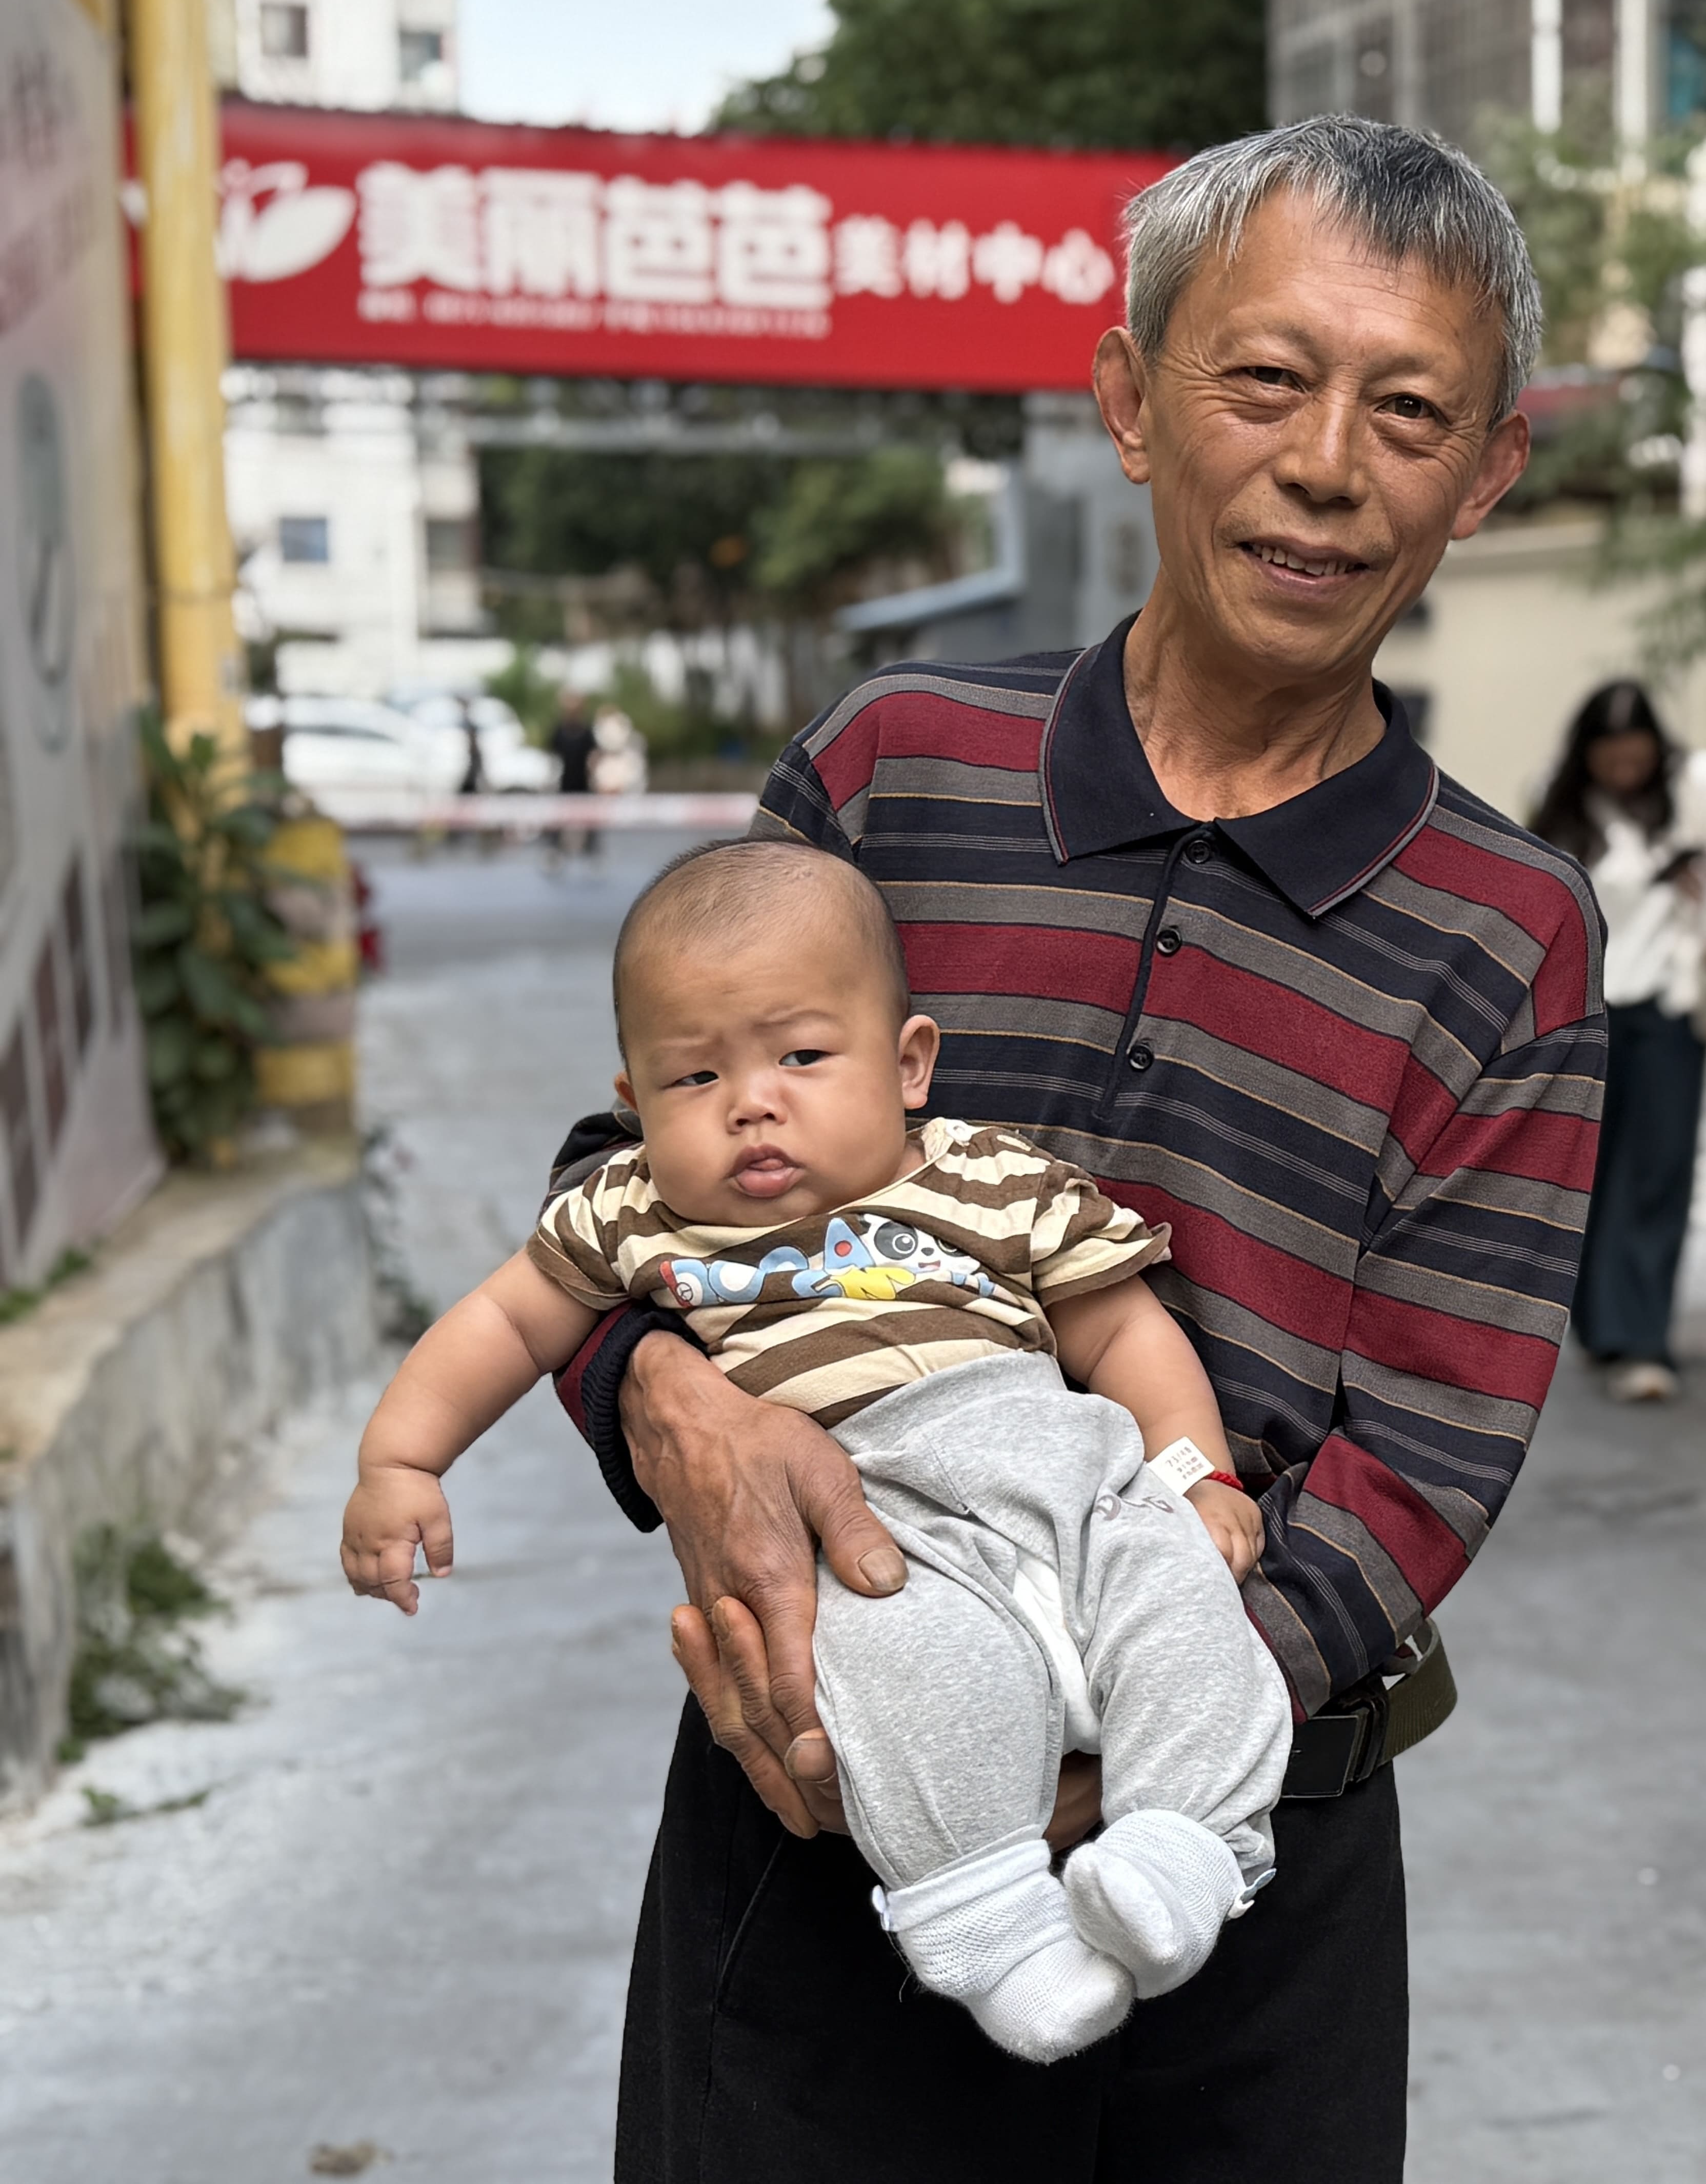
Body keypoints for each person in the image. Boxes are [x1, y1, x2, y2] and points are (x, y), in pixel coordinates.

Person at [545, 116, 1603, 2180]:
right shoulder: (893, 771)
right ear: (1132, 402)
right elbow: (627, 1162)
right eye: (1264, 381)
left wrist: (1135, 1737)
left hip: (1240, 1858)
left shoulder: (1510, 930)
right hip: (824, 1798)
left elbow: (1429, 1447)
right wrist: (661, 1404)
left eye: (1410, 411)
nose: (1326, 466)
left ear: (1485, 477)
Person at [340, 840, 1289, 2067]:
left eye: (801, 1056)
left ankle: (1182, 1853)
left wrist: (1193, 1475)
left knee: (1182, 1614)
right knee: (901, 1670)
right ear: (631, 1103)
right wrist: (401, 1462)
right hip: (869, 1516)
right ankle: (989, 1922)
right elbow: (507, 1321)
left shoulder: (996, 1179)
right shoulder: (633, 1213)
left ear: (908, 1064)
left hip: (1056, 1469)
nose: (752, 1102)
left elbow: (1124, 1332)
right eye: (694, 1077)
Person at [1530, 680, 1706, 1403]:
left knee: (1659, 1169)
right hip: (1586, 1006)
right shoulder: (1559, 800)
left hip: (1671, 1000)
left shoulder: (1700, 782)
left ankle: (1646, 1339)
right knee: (1588, 1171)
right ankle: (1603, 1324)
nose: (1625, 772)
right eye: (1611, 760)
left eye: (1637, 759)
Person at [548, 691, 600, 865]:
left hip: (583, 782)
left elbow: (594, 755)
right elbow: (553, 756)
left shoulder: (586, 732)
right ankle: (555, 852)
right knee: (559, 820)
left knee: (590, 820)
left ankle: (593, 851)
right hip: (565, 782)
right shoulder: (559, 731)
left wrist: (594, 774)